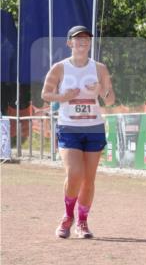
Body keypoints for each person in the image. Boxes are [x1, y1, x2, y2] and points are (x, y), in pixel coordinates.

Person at [40, 25, 115, 239]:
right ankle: (67, 217)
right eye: (77, 39)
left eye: (86, 39)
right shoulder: (59, 68)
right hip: (69, 127)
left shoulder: (99, 68)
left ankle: (82, 222)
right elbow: (46, 94)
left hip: (94, 128)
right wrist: (63, 97)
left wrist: (100, 90)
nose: (82, 42)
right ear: (69, 43)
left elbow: (110, 100)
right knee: (74, 174)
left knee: (89, 179)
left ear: (90, 43)